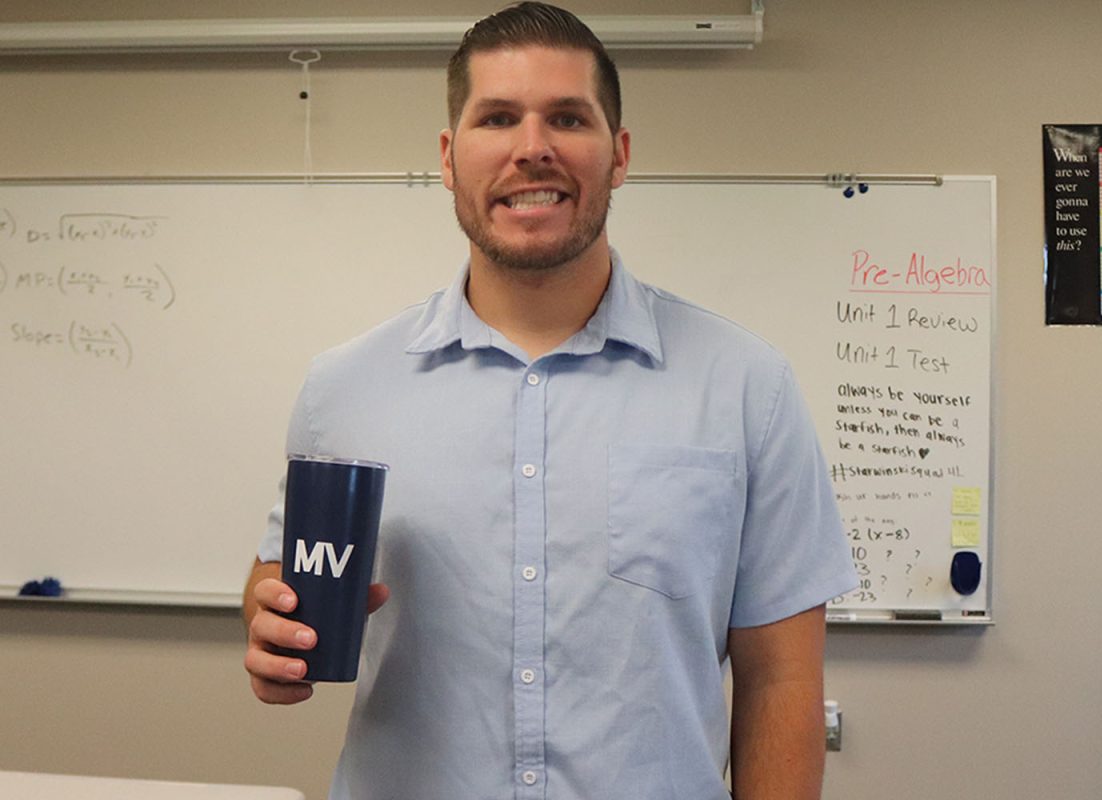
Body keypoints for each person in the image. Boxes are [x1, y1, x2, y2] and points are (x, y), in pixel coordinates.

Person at [243, 3, 856, 799]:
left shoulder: (747, 387)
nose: (532, 149)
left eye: (567, 117)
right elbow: (274, 584)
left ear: (620, 154)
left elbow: (780, 684)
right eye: (497, 118)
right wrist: (269, 635)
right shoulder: (345, 387)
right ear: (449, 157)